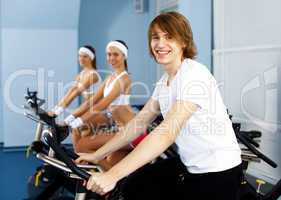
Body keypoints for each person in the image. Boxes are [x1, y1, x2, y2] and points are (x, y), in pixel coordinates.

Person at [76, 12, 243, 200]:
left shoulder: (194, 75)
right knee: (134, 186)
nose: (160, 43)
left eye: (169, 37)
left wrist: (112, 175)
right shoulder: (165, 81)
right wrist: (98, 155)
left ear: (184, 42)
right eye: (156, 37)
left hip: (219, 171)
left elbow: (167, 133)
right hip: (189, 163)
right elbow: (138, 123)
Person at [64, 40, 147, 170]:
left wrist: (78, 121)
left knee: (82, 146)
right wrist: (68, 118)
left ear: (124, 56)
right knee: (110, 165)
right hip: (121, 131)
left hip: (133, 132)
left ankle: (100, 177)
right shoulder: (110, 78)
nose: (111, 58)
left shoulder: (125, 79)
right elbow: (91, 102)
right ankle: (112, 183)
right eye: (109, 54)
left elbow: (103, 104)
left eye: (115, 54)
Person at [49, 45, 102, 116]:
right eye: (80, 56)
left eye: (85, 56)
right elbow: (71, 91)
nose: (81, 59)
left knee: (69, 124)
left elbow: (76, 93)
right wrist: (55, 108)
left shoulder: (93, 75)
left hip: (96, 110)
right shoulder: (81, 74)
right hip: (87, 108)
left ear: (91, 58)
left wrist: (57, 112)